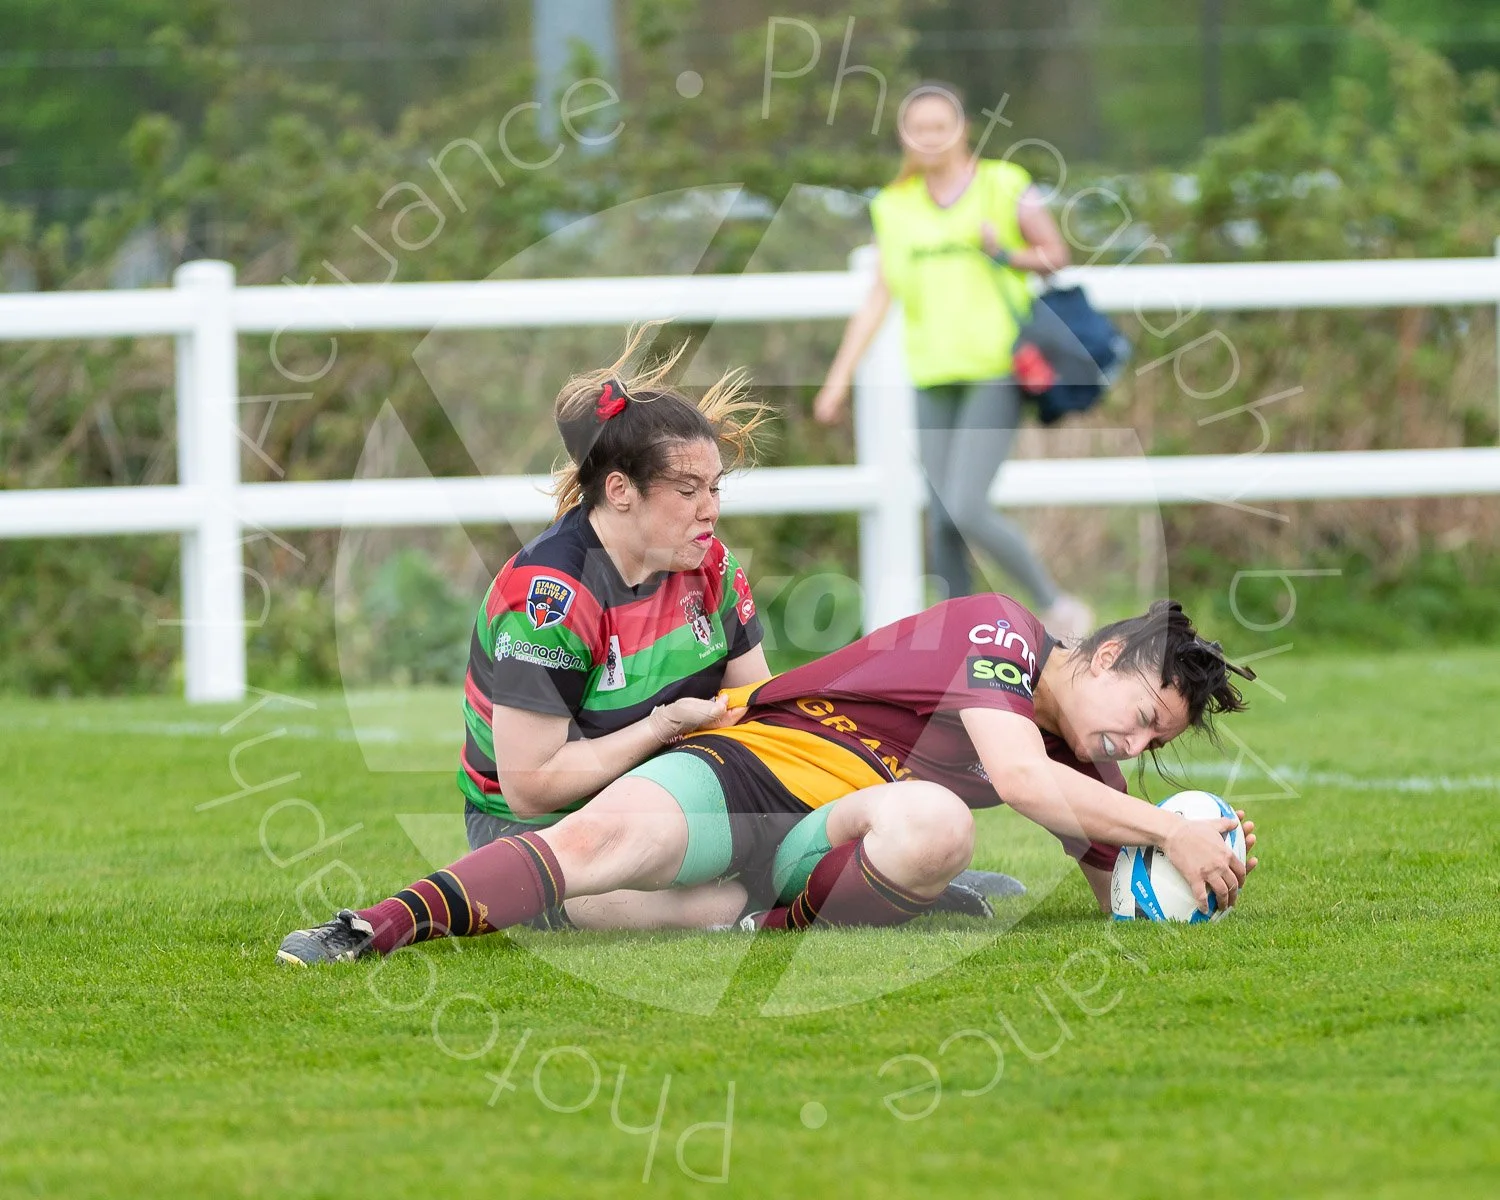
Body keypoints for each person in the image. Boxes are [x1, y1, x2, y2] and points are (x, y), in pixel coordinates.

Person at [277, 597, 1258, 963]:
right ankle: (374, 925)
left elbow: (1113, 890)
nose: (1133, 736)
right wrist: (1166, 829)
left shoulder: (1084, 759)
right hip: (746, 770)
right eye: (1139, 708)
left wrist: (1189, 874)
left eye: (1154, 736)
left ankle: (760, 924)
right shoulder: (997, 631)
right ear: (1109, 649)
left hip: (810, 844)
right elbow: (1023, 780)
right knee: (598, 853)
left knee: (932, 828)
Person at [443, 325, 773, 932]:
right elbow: (531, 787)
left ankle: (836, 873)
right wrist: (661, 727)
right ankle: (782, 895)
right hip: (537, 828)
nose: (711, 509)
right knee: (648, 901)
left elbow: (758, 712)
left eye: (715, 488)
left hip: (660, 798)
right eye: (688, 490)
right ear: (620, 491)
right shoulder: (550, 598)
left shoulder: (712, 566)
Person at [812, 81, 1093, 637]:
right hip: (932, 375)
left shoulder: (1003, 185)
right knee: (941, 519)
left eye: (941, 126)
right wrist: (838, 380)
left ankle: (1056, 605)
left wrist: (1004, 252)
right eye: (919, 128)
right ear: (904, 136)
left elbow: (1055, 255)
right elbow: (879, 296)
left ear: (962, 130)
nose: (931, 138)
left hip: (995, 369)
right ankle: (956, 644)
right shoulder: (893, 206)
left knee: (964, 507)